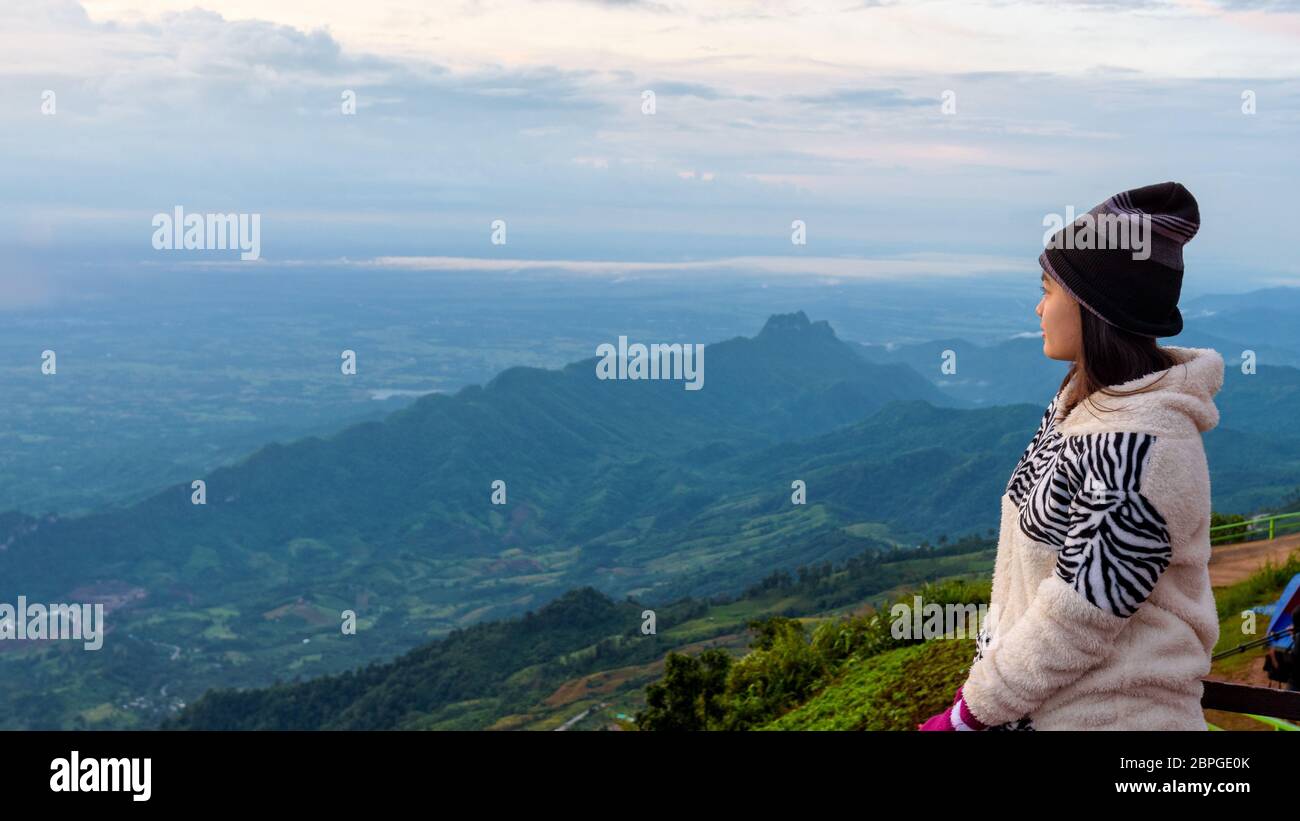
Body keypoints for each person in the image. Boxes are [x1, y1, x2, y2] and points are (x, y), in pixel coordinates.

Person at [919, 181, 1224, 730]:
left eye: (1048, 290)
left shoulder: (1141, 448)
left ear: (1092, 306)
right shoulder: (1082, 404)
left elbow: (1079, 614)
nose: (1038, 308)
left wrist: (967, 716)